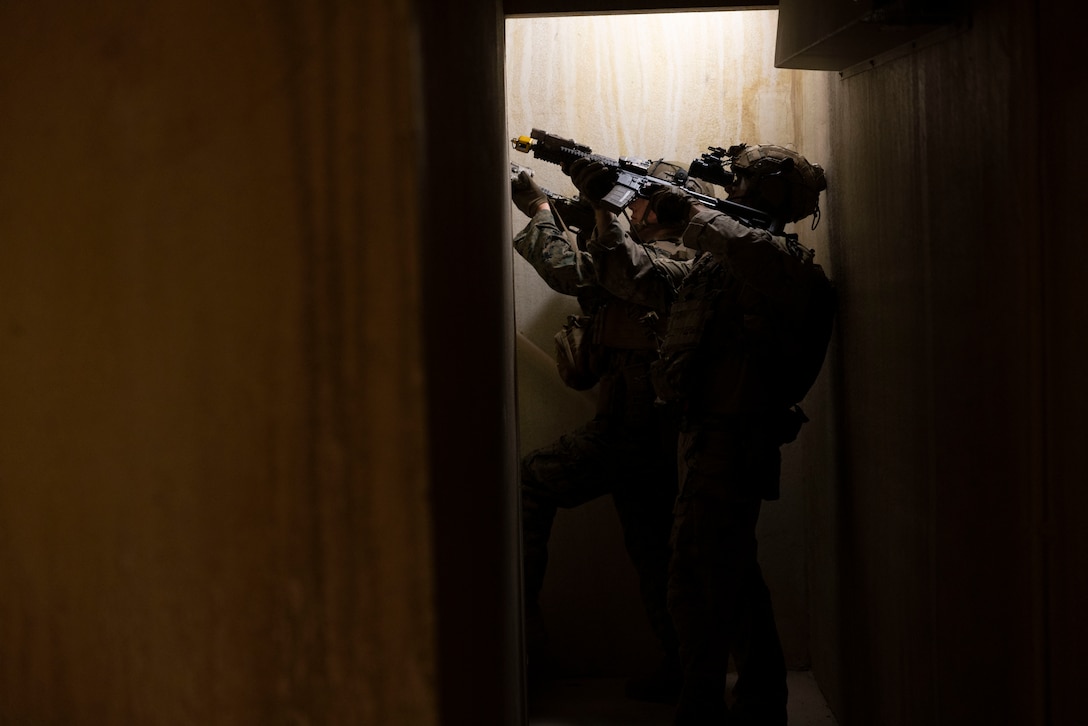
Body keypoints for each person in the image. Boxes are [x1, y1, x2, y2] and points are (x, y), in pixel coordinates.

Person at [566, 144, 832, 726]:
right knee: (730, 573)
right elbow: (626, 275)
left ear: (768, 195)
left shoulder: (782, 264)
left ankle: (702, 705)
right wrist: (603, 207)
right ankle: (761, 703)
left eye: (740, 185)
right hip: (702, 434)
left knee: (693, 576)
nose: (729, 193)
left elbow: (739, 244)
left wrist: (679, 208)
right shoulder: (714, 268)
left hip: (736, 439)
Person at [509, 161, 710, 704]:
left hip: (640, 432)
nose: (630, 207)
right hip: (640, 429)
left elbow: (575, 272)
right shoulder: (654, 256)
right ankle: (683, 673)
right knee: (654, 553)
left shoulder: (670, 260)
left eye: (640, 199)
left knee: (530, 483)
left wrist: (540, 210)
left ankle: (520, 649)